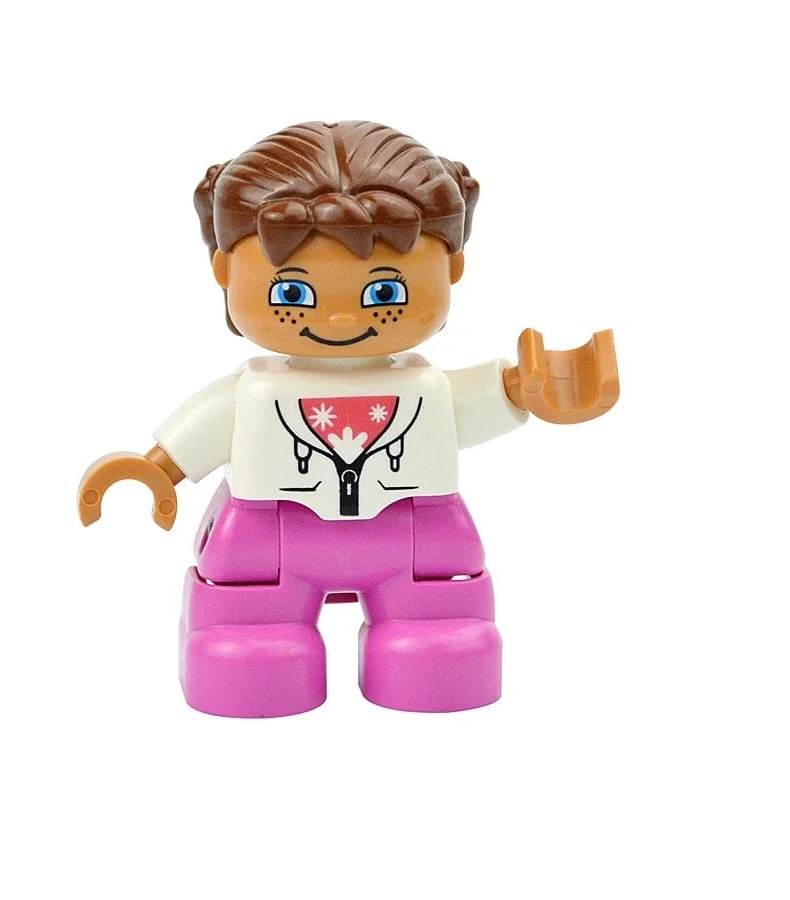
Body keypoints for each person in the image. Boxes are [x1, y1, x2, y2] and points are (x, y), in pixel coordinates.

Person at [78, 121, 619, 717]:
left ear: (452, 267)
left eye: (384, 293)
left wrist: (529, 391)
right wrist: (156, 469)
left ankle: (432, 641)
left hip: (415, 535)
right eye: (293, 295)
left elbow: (483, 400)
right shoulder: (256, 392)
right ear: (225, 271)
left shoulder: (425, 389)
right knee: (250, 633)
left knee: (438, 627)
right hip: (269, 540)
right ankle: (253, 647)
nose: (339, 320)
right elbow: (204, 427)